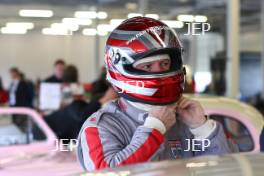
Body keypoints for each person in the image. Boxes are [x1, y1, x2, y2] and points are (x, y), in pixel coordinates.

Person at [77, 17, 232, 171]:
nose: (160, 72)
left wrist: (203, 129)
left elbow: (225, 171)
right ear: (122, 68)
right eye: (148, 66)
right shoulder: (101, 127)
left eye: (165, 64)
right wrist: (154, 130)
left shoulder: (186, 117)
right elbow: (106, 173)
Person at [44, 65, 117, 143]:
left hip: (60, 130)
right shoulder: (74, 89)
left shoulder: (67, 88)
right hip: (55, 132)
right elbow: (81, 114)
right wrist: (104, 99)